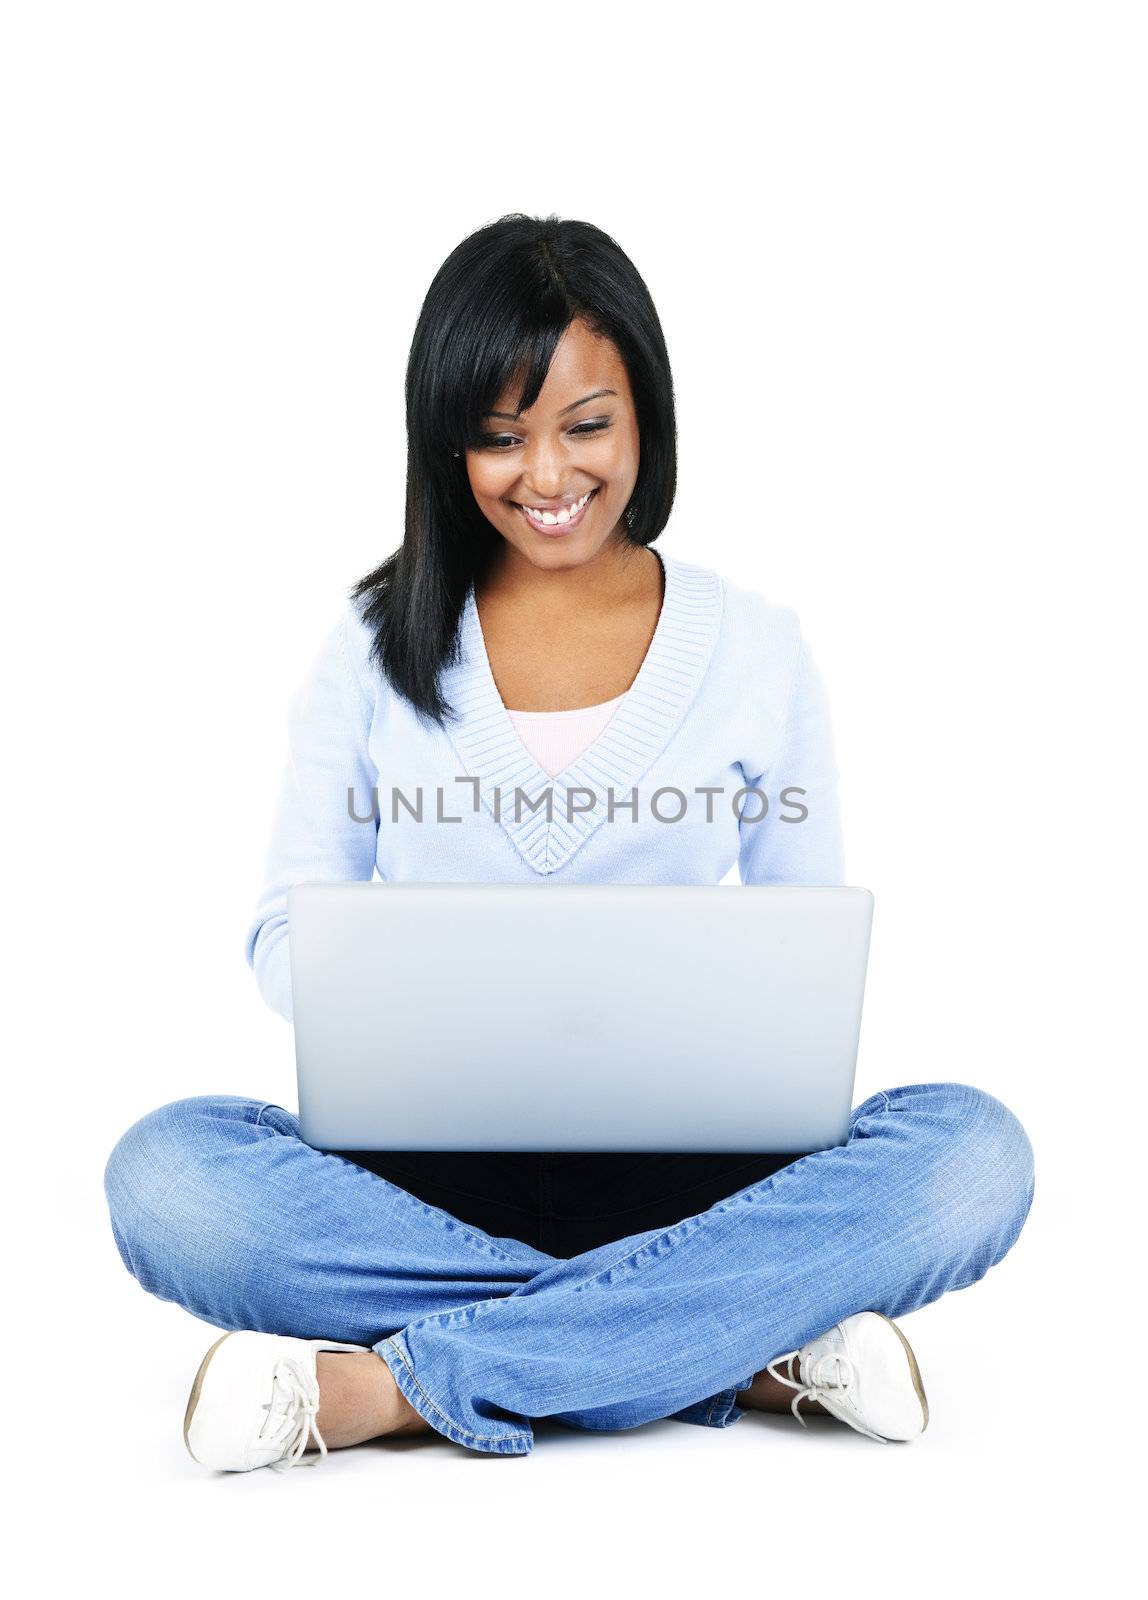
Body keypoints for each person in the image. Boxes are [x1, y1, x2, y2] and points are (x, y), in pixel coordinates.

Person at [103, 213, 1035, 1473]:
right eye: (498, 437)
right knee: (168, 1177)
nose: (545, 475)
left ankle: (385, 1389)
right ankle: (732, 1351)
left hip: (698, 1180)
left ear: (644, 415)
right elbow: (282, 931)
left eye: (583, 425)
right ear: (449, 446)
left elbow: (801, 951)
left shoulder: (758, 649)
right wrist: (424, 986)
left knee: (972, 1155)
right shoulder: (372, 646)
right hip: (414, 1181)